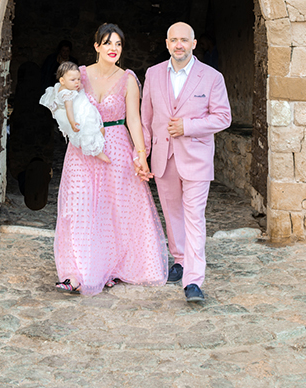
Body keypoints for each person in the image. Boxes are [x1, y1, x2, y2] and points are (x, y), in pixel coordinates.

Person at [54, 23, 168, 295]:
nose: (113, 49)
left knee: (113, 209)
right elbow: (64, 103)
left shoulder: (128, 79)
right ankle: (76, 272)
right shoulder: (79, 75)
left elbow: (134, 121)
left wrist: (141, 156)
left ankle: (110, 268)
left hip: (116, 145)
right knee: (78, 206)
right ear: (96, 47)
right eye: (107, 43)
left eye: (118, 44)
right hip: (82, 150)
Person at [141, 22, 231, 303]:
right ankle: (179, 259)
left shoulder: (212, 77)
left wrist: (188, 126)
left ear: (193, 44)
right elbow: (145, 120)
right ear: (167, 43)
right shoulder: (153, 74)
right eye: (173, 40)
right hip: (163, 159)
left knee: (194, 218)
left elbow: (223, 117)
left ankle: (193, 280)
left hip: (196, 159)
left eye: (184, 40)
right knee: (172, 215)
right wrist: (142, 155)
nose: (178, 45)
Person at [39, 61, 110, 163]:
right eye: (73, 80)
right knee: (89, 130)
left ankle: (98, 145)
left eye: (78, 79)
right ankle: (97, 151)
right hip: (76, 116)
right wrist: (72, 122)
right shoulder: (66, 94)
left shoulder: (61, 87)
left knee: (98, 129)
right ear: (62, 81)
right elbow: (69, 109)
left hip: (76, 110)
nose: (77, 82)